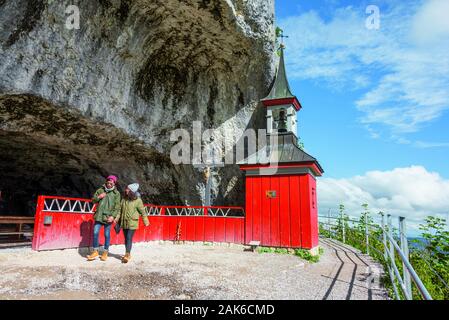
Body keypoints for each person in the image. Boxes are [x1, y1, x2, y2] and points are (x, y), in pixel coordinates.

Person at [87, 175, 121, 261]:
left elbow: (117, 207)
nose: (109, 184)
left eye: (111, 182)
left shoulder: (116, 193)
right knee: (95, 232)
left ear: (114, 183)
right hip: (99, 216)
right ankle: (95, 251)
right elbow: (93, 200)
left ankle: (105, 252)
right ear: (106, 181)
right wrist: (99, 197)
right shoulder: (100, 190)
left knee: (106, 234)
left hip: (108, 217)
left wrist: (113, 216)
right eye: (108, 182)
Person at [115, 183, 149, 263]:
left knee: (129, 237)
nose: (126, 190)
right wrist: (116, 219)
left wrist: (146, 221)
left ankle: (127, 254)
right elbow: (120, 211)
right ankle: (128, 253)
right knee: (126, 238)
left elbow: (142, 212)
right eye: (126, 188)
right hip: (124, 222)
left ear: (131, 191)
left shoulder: (138, 200)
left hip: (132, 222)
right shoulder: (124, 199)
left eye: (127, 189)